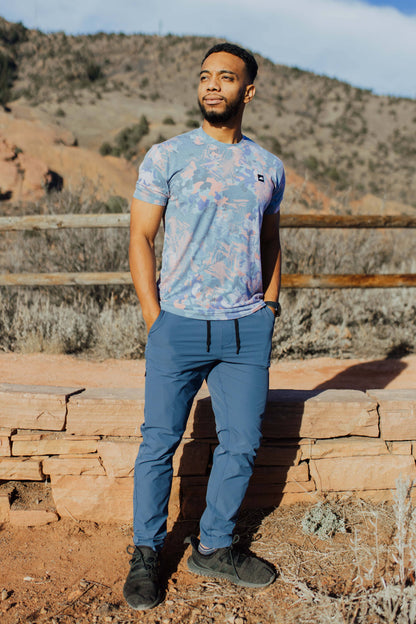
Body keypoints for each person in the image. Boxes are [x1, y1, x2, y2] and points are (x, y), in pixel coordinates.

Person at [124, 42, 285, 611]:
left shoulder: (269, 166)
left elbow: (269, 239)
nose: (212, 85)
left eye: (226, 77)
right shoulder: (168, 157)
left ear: (249, 91)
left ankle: (213, 547)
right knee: (158, 445)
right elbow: (141, 237)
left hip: (246, 331)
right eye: (205, 76)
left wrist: (268, 306)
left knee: (240, 444)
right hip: (180, 325)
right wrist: (155, 318)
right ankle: (147, 550)